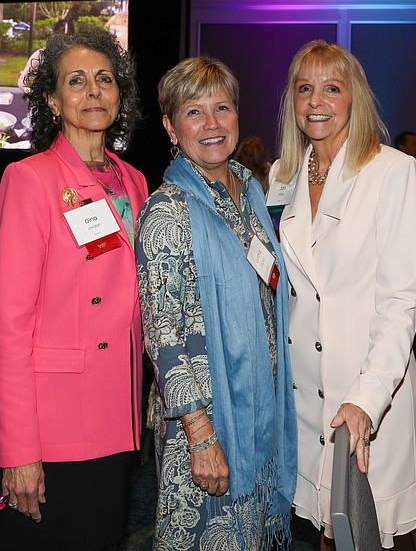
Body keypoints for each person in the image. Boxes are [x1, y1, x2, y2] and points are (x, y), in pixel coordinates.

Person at [271, 40, 416, 549]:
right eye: (305, 89)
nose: (316, 101)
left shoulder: (391, 171)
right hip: (305, 397)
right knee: (328, 531)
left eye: (332, 88)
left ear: (354, 97)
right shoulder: (282, 175)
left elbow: (402, 301)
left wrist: (367, 399)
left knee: (365, 533)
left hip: (368, 391)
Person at [0, 26, 147, 550]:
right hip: (53, 423)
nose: (93, 90)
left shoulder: (134, 181)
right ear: (53, 102)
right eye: (76, 81)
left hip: (116, 411)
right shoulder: (30, 179)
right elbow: (12, 327)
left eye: (105, 79)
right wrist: (18, 449)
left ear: (120, 95)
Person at [136, 56, 297, 549]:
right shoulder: (167, 211)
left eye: (221, 108)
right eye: (194, 112)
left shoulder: (250, 192)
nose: (211, 124)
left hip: (258, 407)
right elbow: (163, 336)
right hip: (207, 422)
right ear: (171, 127)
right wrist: (201, 435)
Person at [17, 19, 75, 92]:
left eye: (68, 35)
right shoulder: (40, 54)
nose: (64, 40)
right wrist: (30, 91)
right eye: (61, 35)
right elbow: (22, 80)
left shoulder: (75, 57)